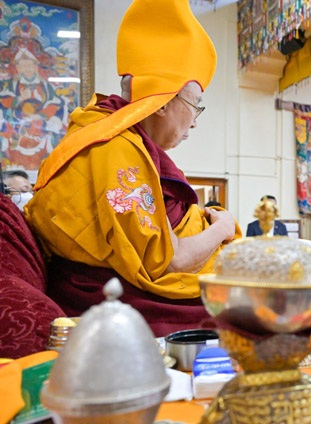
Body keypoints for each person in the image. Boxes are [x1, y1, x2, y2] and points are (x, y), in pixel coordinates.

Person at [25, 0, 240, 337]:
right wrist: (223, 227)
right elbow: (169, 260)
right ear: (164, 102)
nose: (195, 122)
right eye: (196, 106)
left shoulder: (104, 132)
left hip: (113, 288)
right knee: (251, 306)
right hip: (117, 300)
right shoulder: (115, 149)